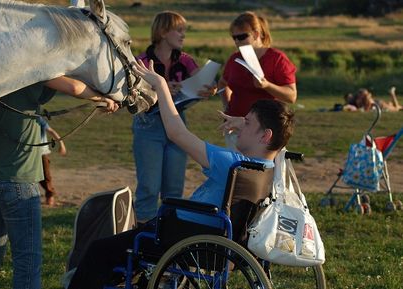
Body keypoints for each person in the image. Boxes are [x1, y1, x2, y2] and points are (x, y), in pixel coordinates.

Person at [66, 59, 295, 289]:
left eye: (247, 123)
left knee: (99, 251)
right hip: (221, 241)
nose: (241, 127)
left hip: (184, 233)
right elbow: (274, 141)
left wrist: (160, 85)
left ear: (265, 136)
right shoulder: (271, 167)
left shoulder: (232, 164)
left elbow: (177, 133)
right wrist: (243, 122)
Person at [0, 77, 118, 289]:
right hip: (18, 182)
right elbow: (74, 86)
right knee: (27, 261)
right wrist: (103, 97)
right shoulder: (30, 76)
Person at [132, 11, 216, 224]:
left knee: (174, 188)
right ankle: (143, 232)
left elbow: (201, 83)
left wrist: (210, 89)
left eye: (184, 31)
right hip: (148, 124)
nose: (183, 35)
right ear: (162, 32)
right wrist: (159, 88)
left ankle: (169, 234)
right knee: (149, 186)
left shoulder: (186, 61)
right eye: (178, 30)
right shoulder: (141, 61)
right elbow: (130, 92)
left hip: (178, 124)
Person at [217, 11, 297, 149]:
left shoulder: (277, 58)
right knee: (238, 169)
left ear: (256, 34)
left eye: (241, 37)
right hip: (237, 127)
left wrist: (266, 85)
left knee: (265, 169)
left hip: (266, 128)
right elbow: (223, 84)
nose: (237, 42)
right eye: (234, 38)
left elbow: (291, 96)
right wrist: (227, 105)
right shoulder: (235, 58)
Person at [37, 117, 67, 206]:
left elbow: (51, 131)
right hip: (29, 153)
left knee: (46, 176)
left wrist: (61, 144)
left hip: (42, 152)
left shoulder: (38, 119)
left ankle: (50, 195)